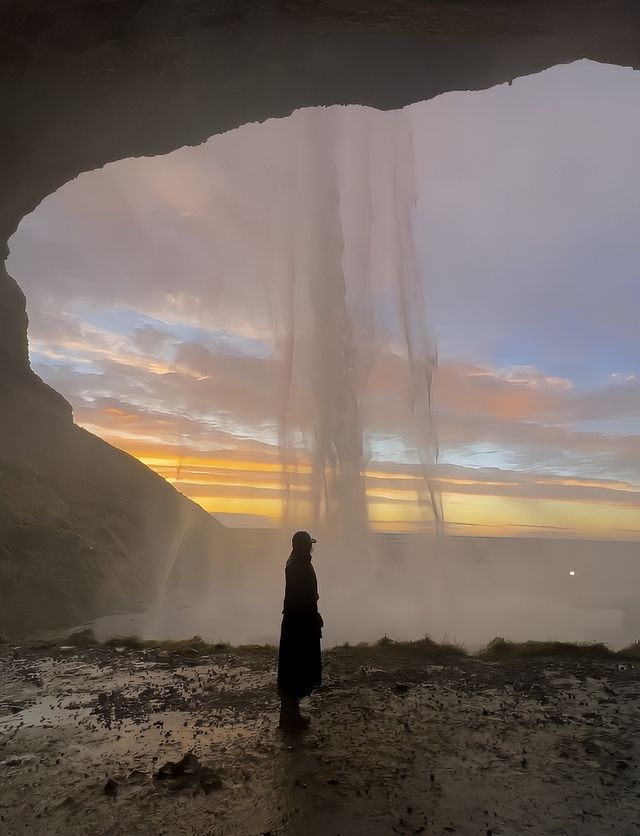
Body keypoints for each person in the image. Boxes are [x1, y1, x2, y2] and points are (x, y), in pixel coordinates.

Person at [277, 530, 323, 731]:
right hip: (300, 623)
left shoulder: (295, 562)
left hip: (296, 621)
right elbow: (305, 597)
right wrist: (314, 616)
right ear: (304, 546)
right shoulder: (300, 565)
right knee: (295, 668)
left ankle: (290, 716)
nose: (312, 547)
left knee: (292, 669)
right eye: (309, 544)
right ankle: (290, 719)